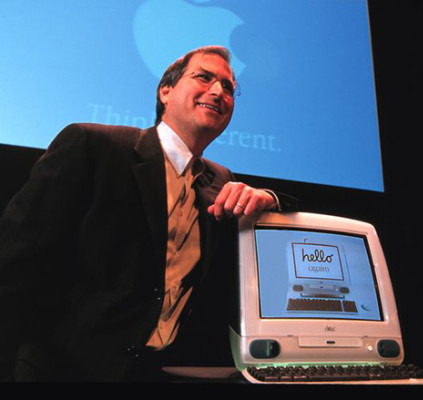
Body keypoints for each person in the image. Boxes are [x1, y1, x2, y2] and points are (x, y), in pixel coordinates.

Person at [0, 45, 296, 382]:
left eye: (228, 87)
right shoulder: (92, 145)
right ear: (166, 91)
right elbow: (14, 265)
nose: (218, 91)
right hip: (59, 371)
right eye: (204, 77)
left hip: (153, 374)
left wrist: (268, 197)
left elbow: (283, 214)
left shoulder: (221, 180)